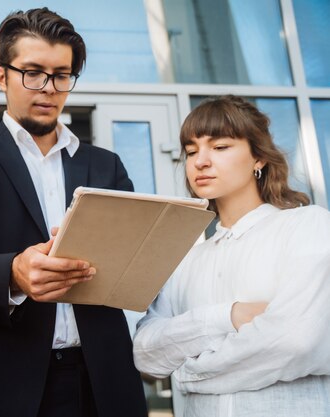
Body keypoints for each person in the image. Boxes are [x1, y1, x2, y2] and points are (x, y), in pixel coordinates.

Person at [0, 7, 147, 417]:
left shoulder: (106, 165)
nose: (49, 88)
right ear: (1, 76)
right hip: (0, 385)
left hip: (103, 383)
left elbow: (136, 265)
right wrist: (11, 275)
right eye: (33, 72)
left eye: (62, 75)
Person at [133, 95, 330, 416]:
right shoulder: (186, 259)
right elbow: (146, 353)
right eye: (192, 151)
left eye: (220, 147)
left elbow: (296, 341)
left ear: (259, 158)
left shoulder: (308, 225)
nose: (200, 161)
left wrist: (187, 373)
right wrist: (229, 316)